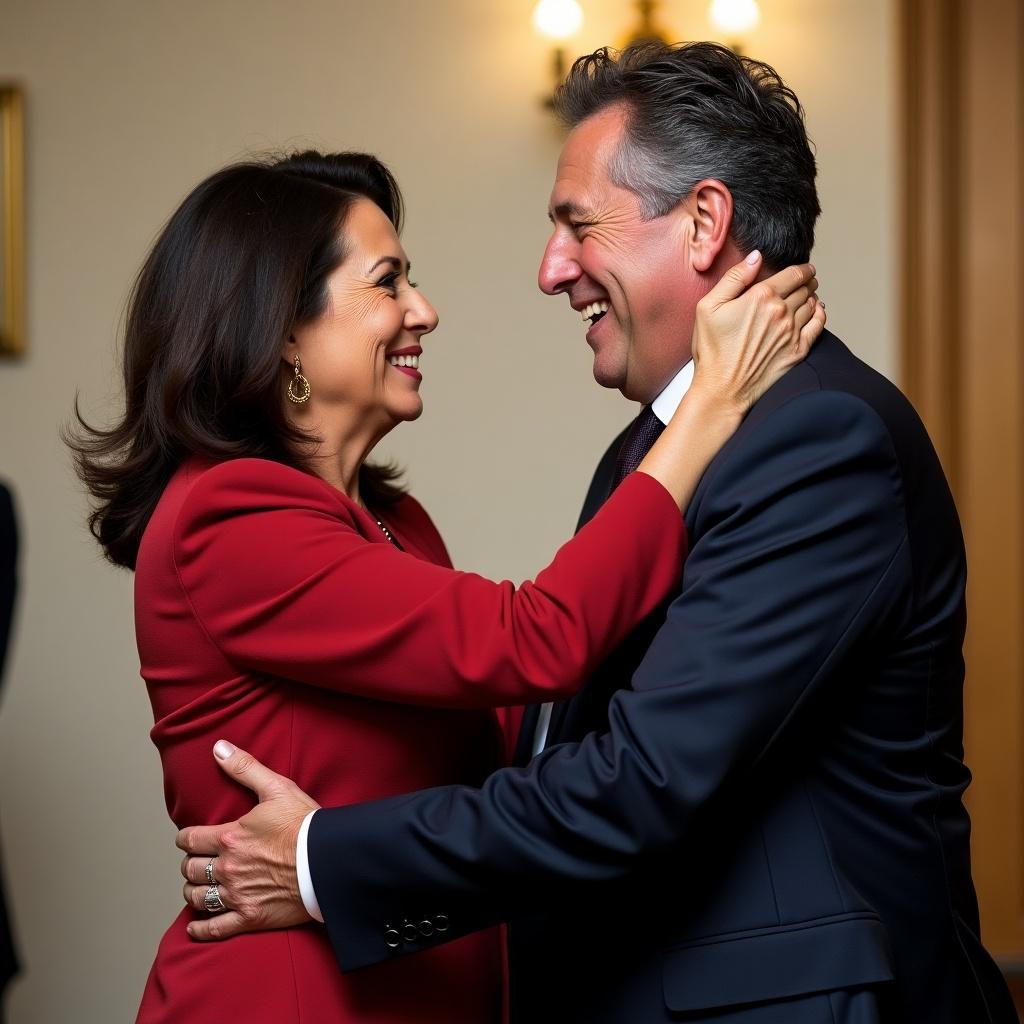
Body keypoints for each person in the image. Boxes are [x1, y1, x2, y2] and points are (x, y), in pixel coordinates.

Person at [178, 42, 1018, 1024]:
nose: (550, 271)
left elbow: (639, 777)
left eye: (576, 225)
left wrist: (323, 859)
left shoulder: (815, 437)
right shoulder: (656, 449)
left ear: (703, 221)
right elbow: (542, 735)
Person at [67, 145, 820, 1024]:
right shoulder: (229, 514)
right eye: (388, 283)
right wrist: (709, 406)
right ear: (280, 329)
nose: (423, 311)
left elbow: (507, 746)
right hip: (295, 999)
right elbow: (538, 640)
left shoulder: (394, 523)